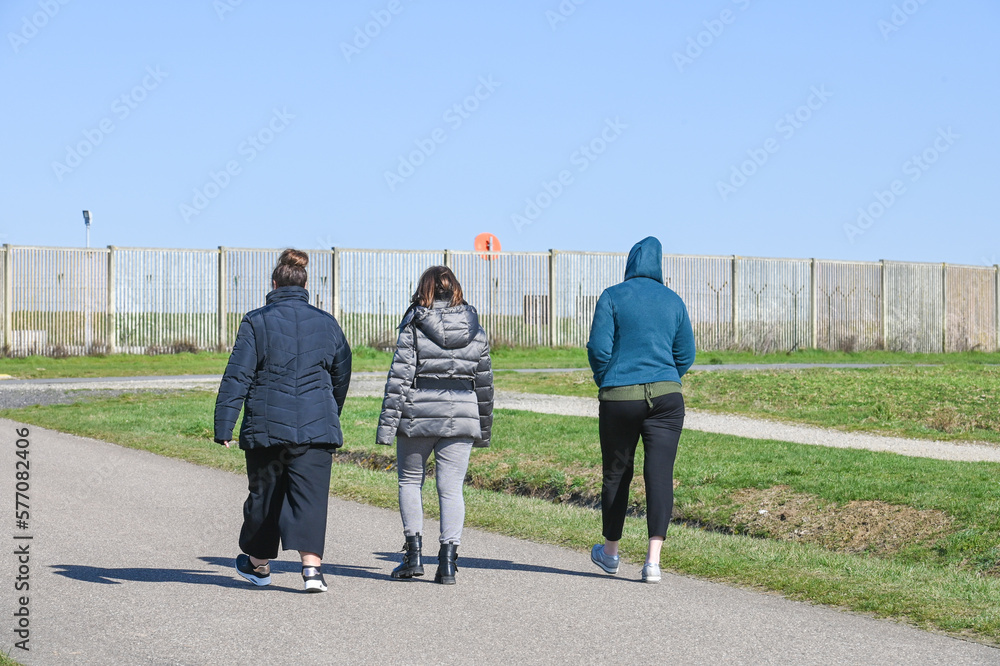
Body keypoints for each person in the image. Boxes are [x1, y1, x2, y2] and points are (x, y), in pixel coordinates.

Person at [214, 249, 352, 593]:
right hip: (316, 428)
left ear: (274, 284)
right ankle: (312, 572)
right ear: (305, 285)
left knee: (265, 495)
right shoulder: (327, 322)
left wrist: (224, 424)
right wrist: (328, 410)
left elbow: (237, 375)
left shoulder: (256, 321)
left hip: (267, 428)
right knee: (311, 496)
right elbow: (342, 373)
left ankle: (259, 566)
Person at [586, 236, 695, 583]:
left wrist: (610, 380)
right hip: (667, 399)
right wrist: (663, 378)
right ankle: (653, 563)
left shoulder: (612, 296)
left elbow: (598, 348)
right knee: (659, 475)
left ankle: (611, 553)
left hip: (620, 397)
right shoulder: (674, 301)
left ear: (631, 263)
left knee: (617, 472)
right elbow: (686, 354)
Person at [376, 266, 493, 585]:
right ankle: (448, 564)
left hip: (419, 412)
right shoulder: (476, 329)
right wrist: (483, 429)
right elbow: (484, 384)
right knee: (451, 488)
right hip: (463, 413)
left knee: (410, 482)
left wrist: (386, 427)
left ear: (424, 289)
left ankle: (413, 557)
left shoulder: (414, 324)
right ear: (455, 289)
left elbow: (399, 378)